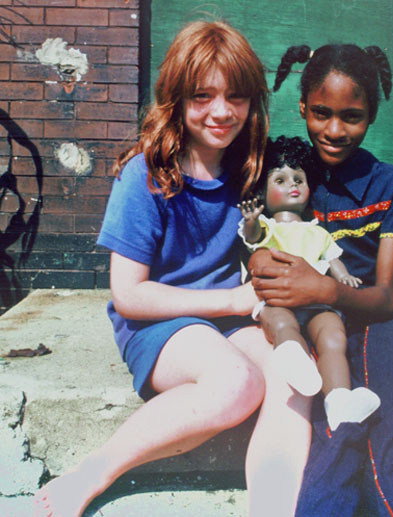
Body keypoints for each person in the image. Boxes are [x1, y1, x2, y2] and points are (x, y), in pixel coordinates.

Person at [33, 22, 312, 517]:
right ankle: (95, 472)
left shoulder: (250, 167)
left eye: (237, 96)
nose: (222, 111)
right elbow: (130, 295)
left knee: (294, 370)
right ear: (176, 98)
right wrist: (232, 299)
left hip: (227, 320)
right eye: (202, 96)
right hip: (157, 322)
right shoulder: (146, 174)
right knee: (237, 384)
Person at [249, 44, 393, 516]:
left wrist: (325, 289)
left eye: (352, 117)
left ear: (372, 116)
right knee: (328, 429)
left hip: (371, 322)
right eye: (321, 113)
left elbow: (386, 298)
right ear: (303, 106)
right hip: (300, 321)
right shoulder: (286, 174)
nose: (335, 130)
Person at [239, 135, 380, 430]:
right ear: (263, 194)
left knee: (333, 336)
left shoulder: (318, 232)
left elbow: (332, 260)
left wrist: (343, 276)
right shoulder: (268, 226)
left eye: (298, 179)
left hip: (317, 302)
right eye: (280, 180)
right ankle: (294, 358)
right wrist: (252, 220)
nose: (292, 184)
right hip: (279, 299)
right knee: (281, 324)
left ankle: (340, 400)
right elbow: (253, 239)